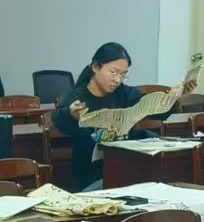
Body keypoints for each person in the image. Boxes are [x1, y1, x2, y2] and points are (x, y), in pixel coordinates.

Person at [53, 42, 191, 192]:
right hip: (92, 180)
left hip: (125, 174)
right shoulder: (77, 97)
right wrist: (72, 114)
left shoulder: (123, 94)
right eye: (114, 72)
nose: (118, 80)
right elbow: (60, 120)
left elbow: (154, 111)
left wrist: (172, 98)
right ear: (95, 67)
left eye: (123, 75)